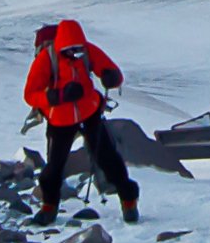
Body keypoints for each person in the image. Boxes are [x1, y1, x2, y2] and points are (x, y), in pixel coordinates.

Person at [23, 18, 140, 226]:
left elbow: (111, 71)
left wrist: (112, 77)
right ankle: (49, 205)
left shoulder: (87, 51)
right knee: (54, 166)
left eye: (79, 48)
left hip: (89, 111)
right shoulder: (46, 59)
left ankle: (129, 199)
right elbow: (30, 94)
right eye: (72, 50)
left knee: (107, 157)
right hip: (60, 118)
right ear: (61, 47)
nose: (77, 53)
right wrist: (58, 97)